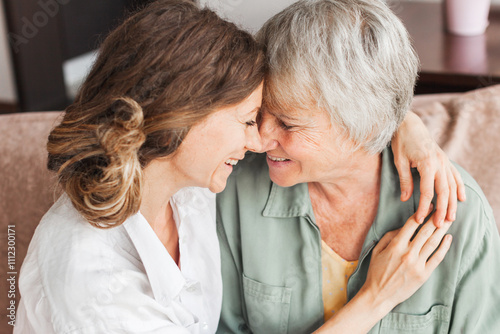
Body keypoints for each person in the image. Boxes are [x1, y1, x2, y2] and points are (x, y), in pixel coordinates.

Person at [15, 0, 461, 333]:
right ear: (181, 119)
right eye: (249, 120)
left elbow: (330, 92)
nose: (257, 141)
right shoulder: (93, 280)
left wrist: (401, 123)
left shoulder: (186, 185)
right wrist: (375, 298)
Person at [216, 0, 500, 333]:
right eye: (262, 113)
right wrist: (376, 297)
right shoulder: (234, 190)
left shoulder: (457, 217)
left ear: (364, 126)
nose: (259, 140)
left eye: (287, 124)